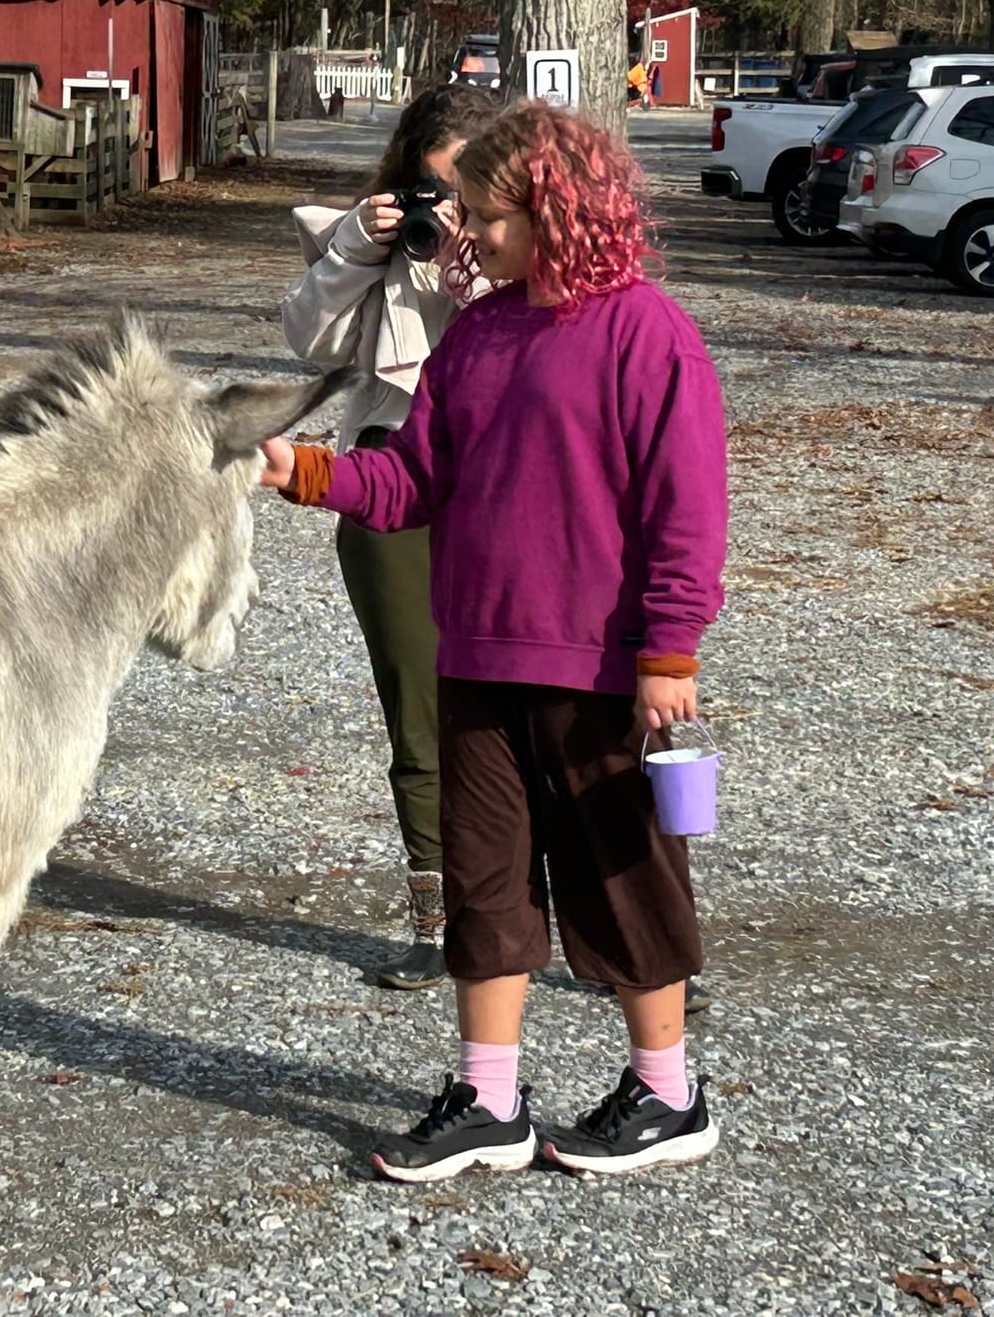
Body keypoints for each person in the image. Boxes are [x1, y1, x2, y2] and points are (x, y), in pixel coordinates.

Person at [261, 100, 728, 1181]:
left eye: (485, 215)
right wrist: (305, 470)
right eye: (462, 213)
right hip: (473, 655)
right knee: (484, 883)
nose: (465, 234)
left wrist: (668, 653)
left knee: (623, 878)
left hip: (598, 667)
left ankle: (668, 1094)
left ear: (557, 208)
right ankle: (488, 1098)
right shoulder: (476, 333)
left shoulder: (646, 331)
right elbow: (411, 480)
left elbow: (687, 510)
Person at [280, 83, 501, 990]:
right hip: (389, 478)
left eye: (471, 192)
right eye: (436, 189)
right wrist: (352, 252)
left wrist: (474, 270)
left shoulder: (527, 247)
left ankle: (601, 929)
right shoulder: (377, 240)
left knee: (546, 708)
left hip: (505, 483)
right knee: (419, 706)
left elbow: (543, 347)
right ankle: (435, 923)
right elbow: (308, 341)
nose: (451, 211)